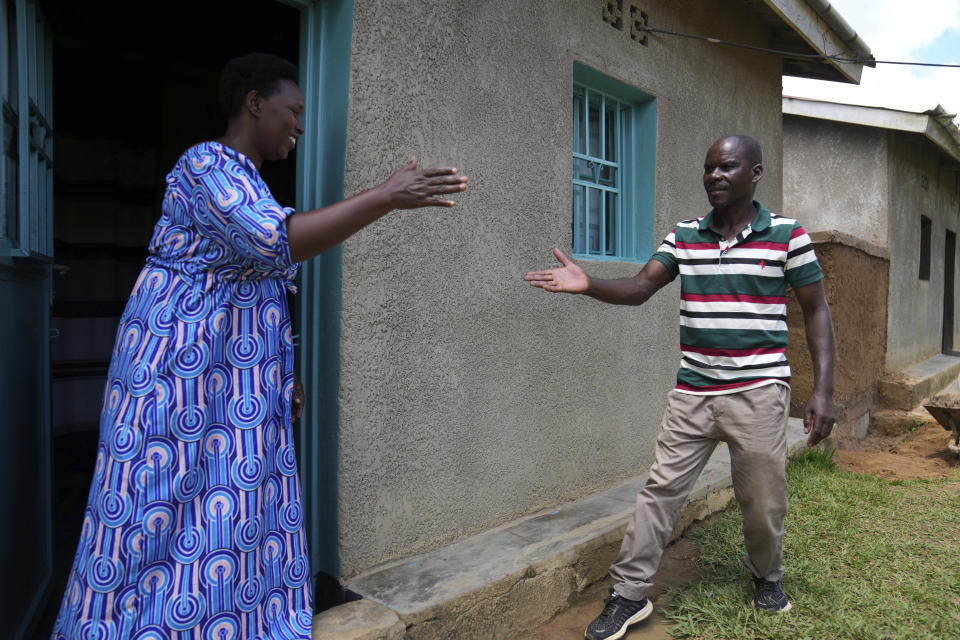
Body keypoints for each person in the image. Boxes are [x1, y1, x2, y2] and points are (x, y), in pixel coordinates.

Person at [51, 53, 467, 640]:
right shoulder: (204, 164)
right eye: (293, 111)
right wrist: (385, 196)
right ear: (254, 104)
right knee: (154, 505)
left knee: (229, 507)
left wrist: (281, 373)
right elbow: (276, 243)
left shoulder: (249, 181)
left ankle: (216, 623)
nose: (299, 124)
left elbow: (262, 288)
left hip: (234, 381)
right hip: (177, 372)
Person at [524, 135, 835, 640]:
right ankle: (628, 596)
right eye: (708, 167)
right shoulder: (685, 236)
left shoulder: (787, 235)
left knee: (762, 498)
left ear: (755, 173)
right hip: (692, 393)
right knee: (659, 493)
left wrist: (823, 390)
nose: (714, 176)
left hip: (758, 390)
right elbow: (641, 287)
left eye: (727, 167)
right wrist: (591, 283)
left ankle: (767, 576)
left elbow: (816, 310)